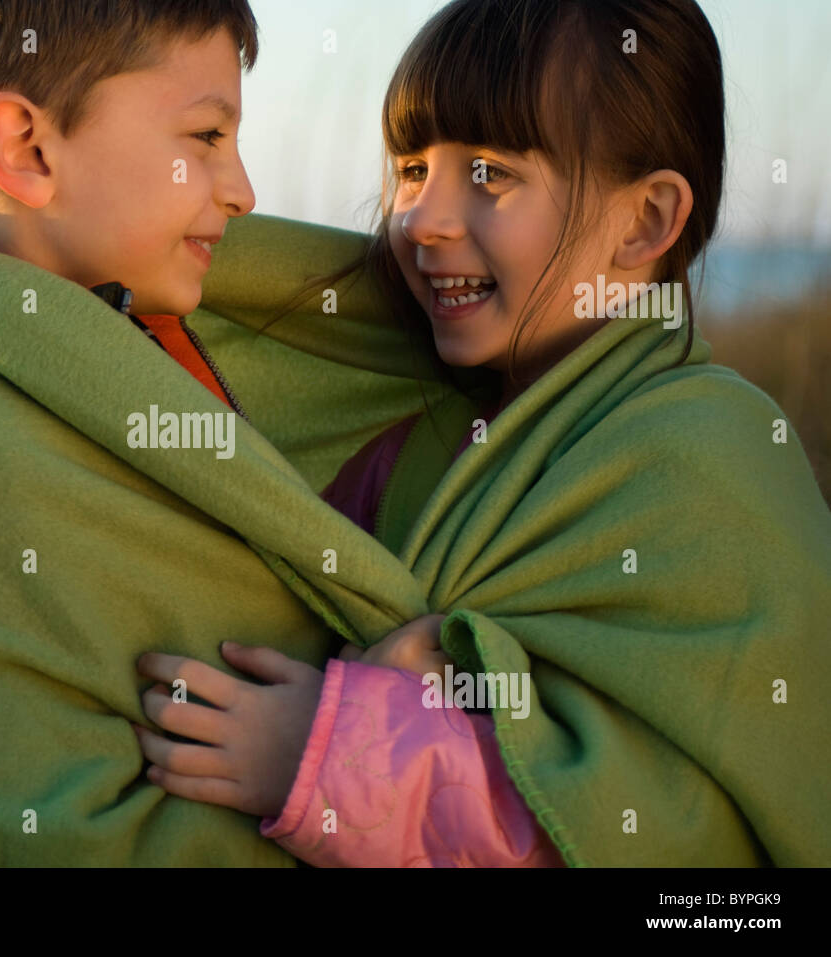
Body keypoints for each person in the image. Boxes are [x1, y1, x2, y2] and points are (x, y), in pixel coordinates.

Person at [0, 0, 456, 866]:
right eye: (207, 137)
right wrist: (362, 755)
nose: (243, 190)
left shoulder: (127, 340)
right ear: (27, 149)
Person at [134, 0, 831, 867]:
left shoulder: (711, 455)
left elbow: (660, 834)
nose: (421, 219)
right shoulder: (408, 432)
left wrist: (319, 761)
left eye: (492, 174)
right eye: (414, 168)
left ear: (646, 220)